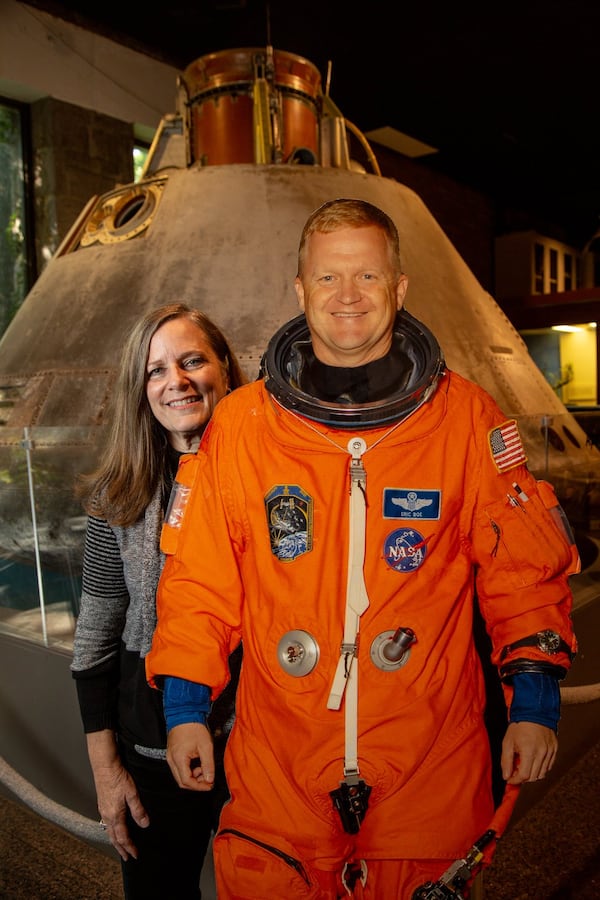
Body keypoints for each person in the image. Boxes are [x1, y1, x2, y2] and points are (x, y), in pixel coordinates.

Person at [145, 200, 579, 899]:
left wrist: (532, 704)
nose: (347, 297)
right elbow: (200, 582)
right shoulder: (243, 427)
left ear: (399, 288)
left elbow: (521, 574)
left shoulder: (465, 421)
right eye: (328, 279)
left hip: (430, 757)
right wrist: (186, 709)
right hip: (278, 762)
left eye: (368, 278)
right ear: (300, 290)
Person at [71, 303, 245, 900]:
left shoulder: (275, 476)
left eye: (193, 360)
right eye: (156, 370)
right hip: (152, 737)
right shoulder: (116, 496)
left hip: (262, 732)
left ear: (223, 367)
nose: (177, 381)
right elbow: (95, 634)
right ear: (139, 389)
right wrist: (106, 769)